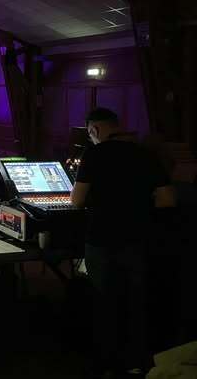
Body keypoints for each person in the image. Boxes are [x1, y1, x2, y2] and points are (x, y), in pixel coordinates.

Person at [70, 107, 175, 378]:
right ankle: (137, 362)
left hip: (101, 239)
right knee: (137, 301)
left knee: (105, 301)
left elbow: (77, 200)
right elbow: (167, 200)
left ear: (94, 130)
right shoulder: (146, 154)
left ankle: (107, 362)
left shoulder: (94, 154)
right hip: (139, 239)